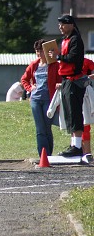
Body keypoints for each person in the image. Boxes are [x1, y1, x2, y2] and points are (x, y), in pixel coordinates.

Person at [48, 14, 87, 157]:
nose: (60, 27)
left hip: (74, 81)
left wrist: (58, 56)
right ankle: (73, 144)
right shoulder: (66, 39)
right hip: (66, 80)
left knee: (75, 112)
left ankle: (77, 146)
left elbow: (73, 57)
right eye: (59, 25)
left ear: (70, 24)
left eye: (63, 24)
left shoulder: (75, 40)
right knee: (69, 113)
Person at [21, 39, 62, 157]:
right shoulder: (34, 65)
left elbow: (61, 78)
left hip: (49, 99)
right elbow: (24, 79)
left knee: (47, 127)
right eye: (37, 51)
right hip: (35, 99)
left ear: (46, 51)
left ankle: (49, 155)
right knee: (40, 128)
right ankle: (43, 155)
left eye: (41, 51)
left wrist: (59, 85)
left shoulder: (55, 64)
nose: (39, 54)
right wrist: (30, 88)